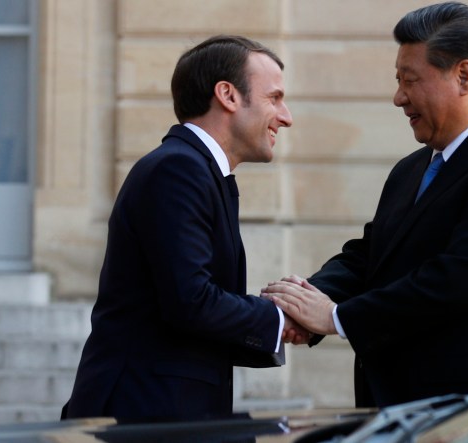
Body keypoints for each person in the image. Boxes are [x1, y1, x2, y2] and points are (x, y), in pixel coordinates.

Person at [262, 2, 468, 408]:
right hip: (394, 412)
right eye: (398, 80)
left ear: (464, 76)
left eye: (411, 80)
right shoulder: (412, 168)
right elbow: (368, 257)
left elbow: (452, 282)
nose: (398, 97)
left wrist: (335, 317)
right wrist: (302, 300)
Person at [63, 35, 305, 422]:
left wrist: (280, 320)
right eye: (273, 98)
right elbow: (190, 300)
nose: (286, 116)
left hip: (165, 408)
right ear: (227, 95)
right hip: (143, 415)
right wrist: (278, 318)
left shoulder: (197, 170)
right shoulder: (179, 170)